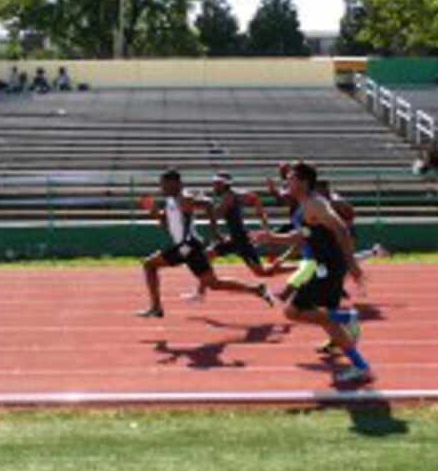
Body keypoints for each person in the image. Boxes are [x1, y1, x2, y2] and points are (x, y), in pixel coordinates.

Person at [255, 162, 374, 384]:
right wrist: (270, 238)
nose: (286, 183)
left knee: (292, 312)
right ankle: (360, 366)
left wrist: (353, 265)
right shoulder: (303, 206)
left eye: (289, 179)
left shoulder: (315, 204)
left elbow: (341, 229)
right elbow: (301, 236)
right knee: (326, 321)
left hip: (327, 267)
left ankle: (347, 317)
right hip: (325, 265)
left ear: (303, 181)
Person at [137, 170, 274, 318]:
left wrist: (214, 231)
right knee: (213, 283)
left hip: (187, 245)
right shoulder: (171, 200)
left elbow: (208, 203)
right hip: (190, 246)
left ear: (174, 184)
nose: (161, 188)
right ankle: (256, 289)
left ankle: (156, 307)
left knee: (149, 265)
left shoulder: (184, 197)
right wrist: (152, 210)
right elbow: (165, 222)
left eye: (163, 184)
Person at [183, 172, 293, 303]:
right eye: (214, 183)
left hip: (241, 241)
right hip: (234, 238)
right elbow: (254, 197)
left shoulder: (228, 197)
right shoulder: (235, 194)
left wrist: (204, 203)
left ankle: (298, 269)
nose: (214, 186)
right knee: (206, 256)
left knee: (262, 272)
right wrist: (264, 220)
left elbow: (218, 213)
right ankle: (200, 294)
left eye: (217, 184)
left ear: (225, 185)